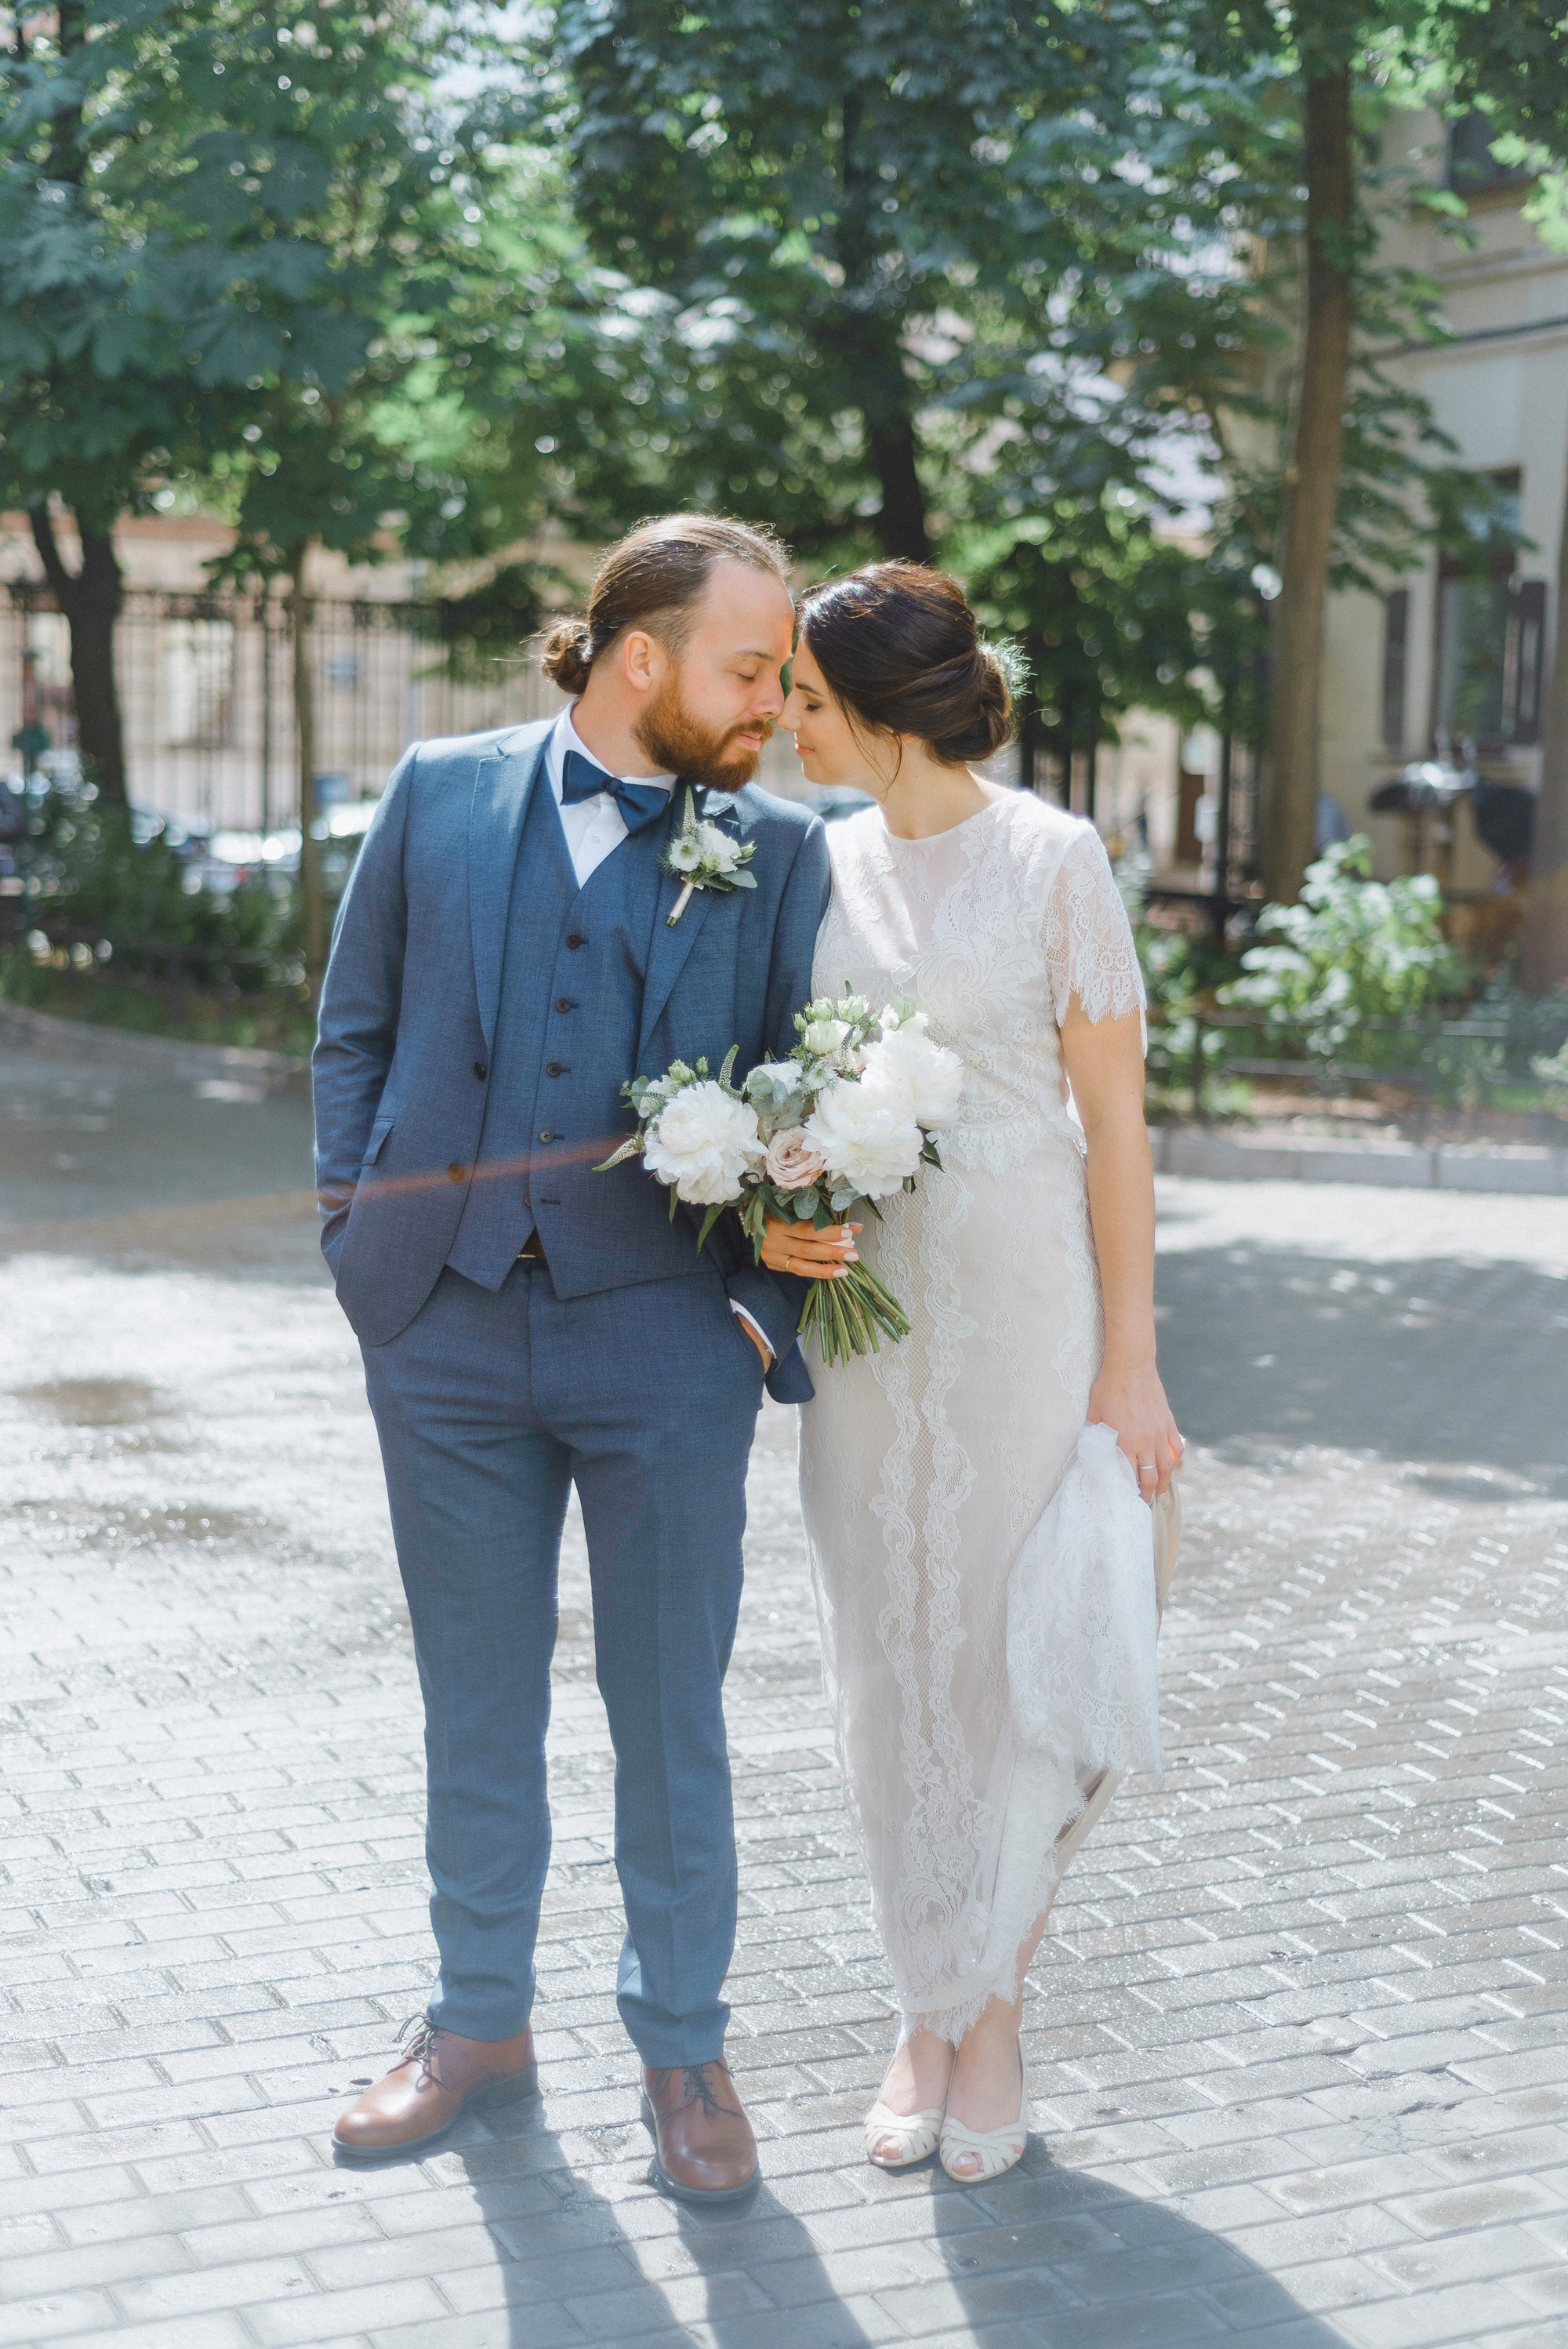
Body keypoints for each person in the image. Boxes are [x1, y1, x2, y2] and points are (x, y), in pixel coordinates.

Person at [314, 515, 829, 2198]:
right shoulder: (439, 796)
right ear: (639, 659)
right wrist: (363, 1253)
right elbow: (355, 1028)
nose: (773, 701)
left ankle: (683, 2049)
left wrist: (765, 1305)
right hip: (443, 1337)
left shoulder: (779, 849)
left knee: (669, 1714)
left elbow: (817, 1107)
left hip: (670, 1346)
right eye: (749, 669)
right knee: (475, 1705)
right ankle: (476, 2023)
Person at [770, 563, 1182, 2185]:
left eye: (805, 698)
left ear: (878, 708)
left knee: (1015, 1658)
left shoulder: (1051, 857)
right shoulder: (819, 864)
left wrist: (1130, 1366)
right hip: (867, 1315)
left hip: (1024, 1301)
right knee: (888, 1653)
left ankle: (992, 2004)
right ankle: (916, 2004)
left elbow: (1118, 1125)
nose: (784, 723)